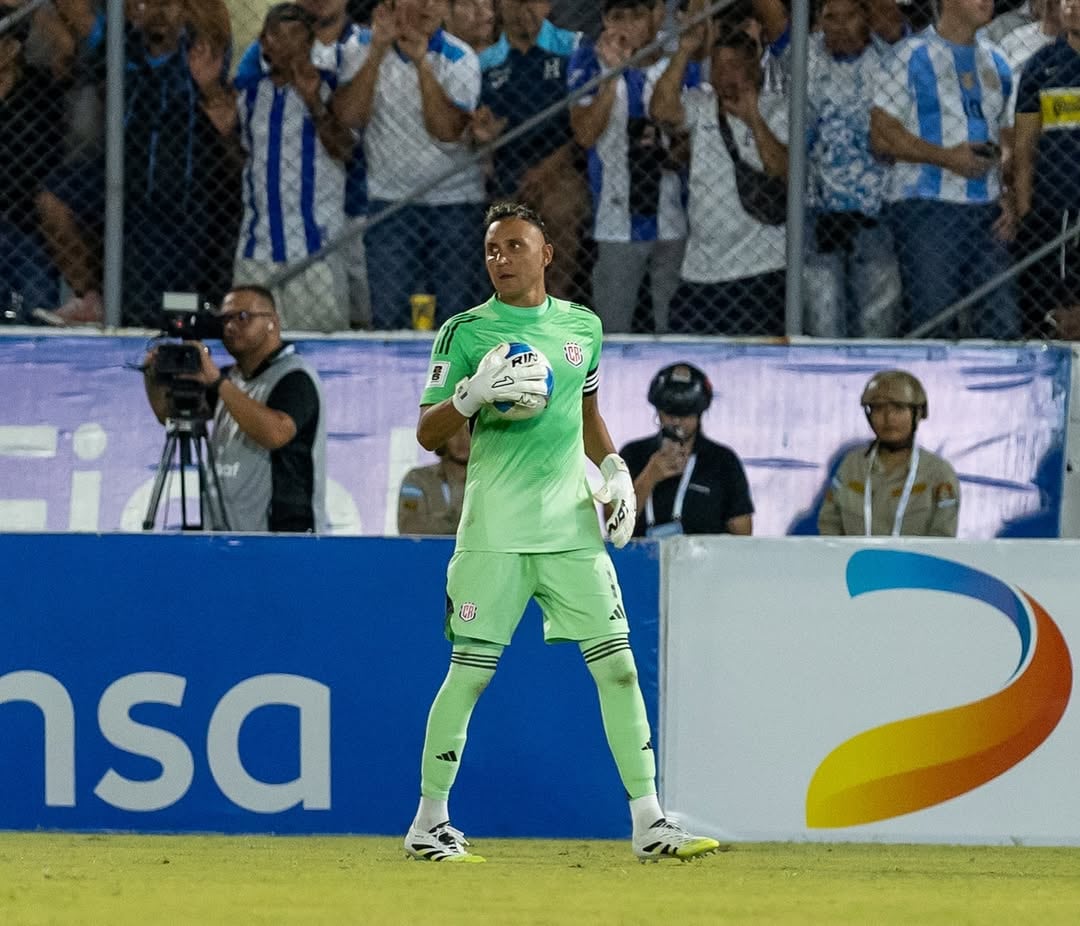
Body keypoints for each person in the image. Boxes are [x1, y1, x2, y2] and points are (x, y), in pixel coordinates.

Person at [404, 201, 720, 863]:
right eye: (492, 250)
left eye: (515, 246)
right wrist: (470, 395)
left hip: (572, 531)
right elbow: (429, 433)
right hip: (495, 532)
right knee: (469, 676)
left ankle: (649, 823)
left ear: (546, 254)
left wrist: (615, 471)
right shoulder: (464, 332)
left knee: (620, 670)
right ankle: (429, 822)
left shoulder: (582, 326)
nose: (501, 259)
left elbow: (587, 413)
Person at [34, 0, 241, 327]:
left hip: (181, 195)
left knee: (163, 310)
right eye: (147, 4)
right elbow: (79, 14)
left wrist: (209, 88)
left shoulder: (198, 54)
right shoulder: (122, 50)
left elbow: (214, 21)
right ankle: (90, 299)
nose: (157, 14)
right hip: (125, 183)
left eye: (167, 5)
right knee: (53, 200)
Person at [333, 0, 488, 329]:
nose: (428, 6)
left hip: (455, 203)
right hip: (389, 202)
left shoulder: (460, 57)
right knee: (389, 319)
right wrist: (377, 51)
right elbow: (348, 117)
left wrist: (421, 63)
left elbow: (446, 132)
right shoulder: (360, 45)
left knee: (456, 321)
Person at [870, 0, 1020, 339]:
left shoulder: (998, 60)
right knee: (934, 320)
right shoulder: (908, 56)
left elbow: (1006, 136)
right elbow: (881, 135)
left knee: (1003, 323)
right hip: (927, 206)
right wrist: (945, 157)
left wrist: (1006, 191)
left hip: (987, 209)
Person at [143, 285, 328, 533]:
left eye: (242, 317)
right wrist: (152, 376)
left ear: (272, 322)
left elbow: (276, 434)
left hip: (281, 536)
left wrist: (218, 382)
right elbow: (170, 415)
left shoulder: (295, 376)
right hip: (225, 533)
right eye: (225, 319)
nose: (230, 327)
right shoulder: (231, 378)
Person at [568, 0, 696, 334]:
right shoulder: (588, 60)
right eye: (617, 17)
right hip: (615, 220)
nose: (625, 26)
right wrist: (612, 76)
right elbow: (584, 133)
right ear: (604, 20)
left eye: (636, 16)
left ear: (656, 16)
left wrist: (675, 149)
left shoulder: (680, 62)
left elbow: (694, 140)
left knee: (674, 327)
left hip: (675, 218)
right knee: (613, 329)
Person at [651, 27, 788, 335]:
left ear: (754, 67)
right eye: (718, 65)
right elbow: (661, 110)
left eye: (734, 65)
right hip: (700, 268)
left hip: (761, 267)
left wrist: (753, 118)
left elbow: (784, 170)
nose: (725, 75)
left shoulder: (777, 108)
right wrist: (684, 51)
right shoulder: (702, 103)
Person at [229, 3, 357, 332]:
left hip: (316, 245)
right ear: (264, 42)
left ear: (310, 43)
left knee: (321, 340)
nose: (285, 46)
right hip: (257, 245)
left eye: (295, 37)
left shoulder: (331, 88)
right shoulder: (248, 95)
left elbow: (345, 150)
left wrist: (313, 102)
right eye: (277, 36)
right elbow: (241, 158)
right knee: (251, 340)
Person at [473, 0, 589, 302]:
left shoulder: (573, 47)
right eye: (514, 2)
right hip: (508, 171)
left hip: (563, 164)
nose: (523, 9)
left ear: (548, 4)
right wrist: (484, 136)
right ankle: (514, 306)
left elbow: (586, 122)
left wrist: (549, 169)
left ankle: (556, 301)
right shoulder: (484, 62)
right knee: (505, 228)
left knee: (560, 210)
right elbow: (478, 134)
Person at [804, 0, 902, 339]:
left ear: (866, 18)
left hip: (878, 212)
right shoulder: (805, 57)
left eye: (850, 17)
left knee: (877, 327)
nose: (840, 26)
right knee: (823, 326)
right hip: (818, 213)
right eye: (831, 17)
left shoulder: (892, 58)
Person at [818, 370, 961, 536]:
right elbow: (829, 528)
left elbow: (942, 540)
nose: (889, 418)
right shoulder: (852, 467)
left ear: (918, 413)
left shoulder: (938, 473)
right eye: (878, 408)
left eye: (899, 408)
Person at [620, 362, 754, 537]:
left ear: (699, 414)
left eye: (685, 414)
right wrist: (650, 476)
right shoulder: (633, 454)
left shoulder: (723, 462)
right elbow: (614, 525)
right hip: (643, 554)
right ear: (658, 411)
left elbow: (743, 536)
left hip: (705, 554)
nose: (676, 421)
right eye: (669, 413)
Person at [1012, 0, 1080, 338]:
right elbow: (1024, 147)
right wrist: (1026, 213)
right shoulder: (1042, 65)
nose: (1072, 5)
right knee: (1058, 312)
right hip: (1055, 207)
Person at [0, 5, 65, 321]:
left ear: (12, 48)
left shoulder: (38, 93)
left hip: (25, 219)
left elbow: (40, 160)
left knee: (37, 301)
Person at [397, 422, 471, 534]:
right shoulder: (417, 479)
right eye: (454, 430)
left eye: (469, 431)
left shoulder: (490, 481)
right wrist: (464, 525)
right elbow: (409, 527)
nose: (462, 438)